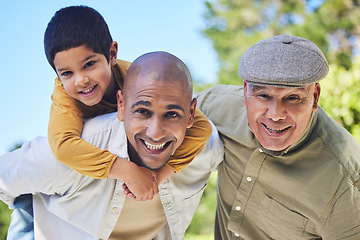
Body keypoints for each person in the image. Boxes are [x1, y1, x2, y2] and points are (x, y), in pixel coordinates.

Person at [8, 5, 212, 239]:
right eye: (66, 73)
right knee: (29, 214)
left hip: (90, 189)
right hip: (40, 199)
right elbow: (63, 147)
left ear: (112, 54)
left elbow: (202, 127)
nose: (81, 80)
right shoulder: (65, 96)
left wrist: (160, 175)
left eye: (89, 65)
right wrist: (129, 172)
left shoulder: (136, 81)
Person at [196, 34, 360, 239]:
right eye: (263, 95)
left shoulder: (345, 181)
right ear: (245, 91)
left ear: (315, 97)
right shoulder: (218, 106)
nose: (275, 114)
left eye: (292, 98)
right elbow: (161, 116)